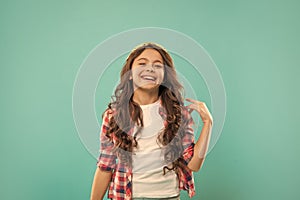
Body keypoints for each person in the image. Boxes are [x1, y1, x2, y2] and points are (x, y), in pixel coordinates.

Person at [90, 42, 213, 200]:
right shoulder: (114, 115)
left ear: (165, 76)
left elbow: (194, 164)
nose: (150, 68)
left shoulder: (178, 114)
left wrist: (208, 124)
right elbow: (105, 167)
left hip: (168, 196)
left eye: (158, 65)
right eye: (142, 63)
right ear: (130, 74)